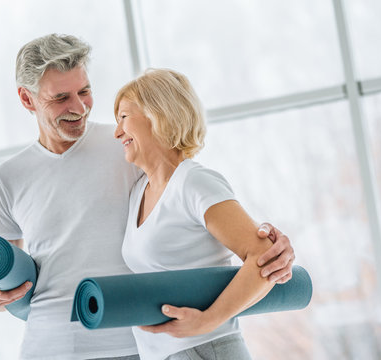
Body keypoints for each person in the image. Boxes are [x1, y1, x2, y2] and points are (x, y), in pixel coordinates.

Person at [0, 34, 295, 360]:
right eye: (60, 98)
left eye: (84, 92)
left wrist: (264, 244)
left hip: (135, 342)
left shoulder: (129, 146)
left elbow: (192, 201)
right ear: (27, 100)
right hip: (48, 345)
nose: (78, 107)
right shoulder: (7, 178)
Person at [114, 68, 290, 360]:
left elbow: (263, 261)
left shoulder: (194, 182)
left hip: (206, 350)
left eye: (123, 117)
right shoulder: (139, 192)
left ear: (159, 114)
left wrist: (208, 320)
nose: (117, 132)